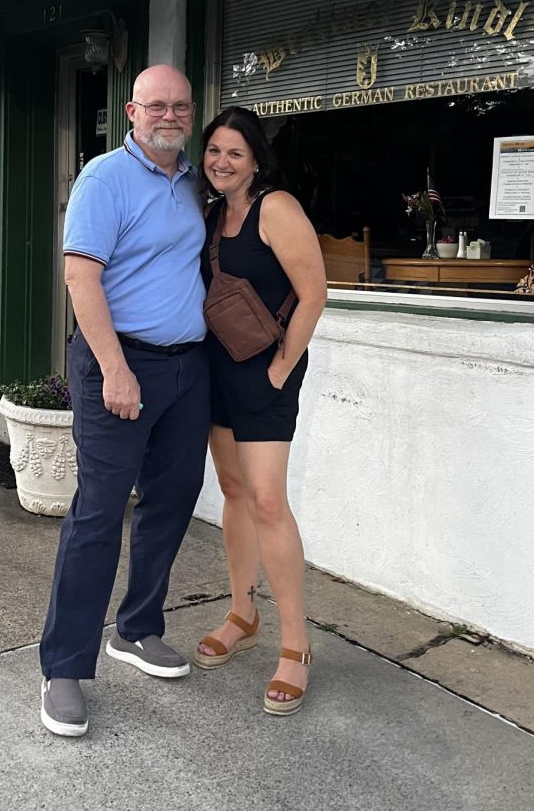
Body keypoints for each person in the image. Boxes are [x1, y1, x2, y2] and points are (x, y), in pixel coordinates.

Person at [39, 65, 211, 737]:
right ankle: (64, 667)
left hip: (188, 369)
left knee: (169, 506)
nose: (169, 115)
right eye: (156, 106)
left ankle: (137, 630)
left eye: (180, 106)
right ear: (132, 112)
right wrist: (114, 369)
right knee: (99, 514)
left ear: (190, 114)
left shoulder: (199, 181)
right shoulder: (104, 178)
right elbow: (81, 276)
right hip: (120, 362)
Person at [192, 106, 327, 716]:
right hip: (218, 370)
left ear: (256, 160)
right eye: (214, 150)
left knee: (269, 500)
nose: (222, 162)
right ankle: (242, 613)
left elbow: (314, 293)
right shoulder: (214, 212)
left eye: (235, 153)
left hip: (265, 373)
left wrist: (279, 369)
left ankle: (295, 646)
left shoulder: (277, 207)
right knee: (234, 489)